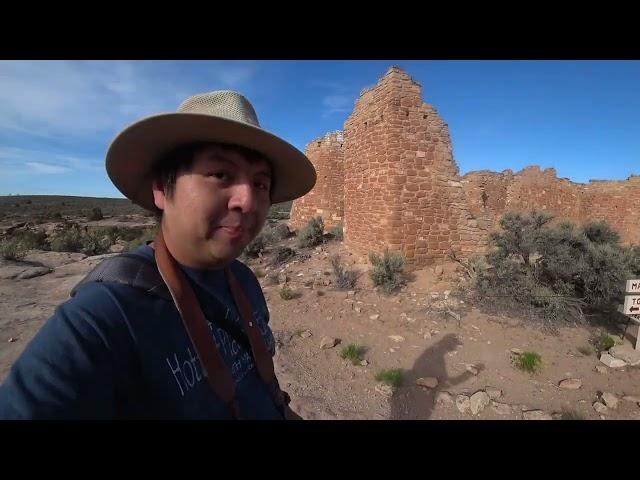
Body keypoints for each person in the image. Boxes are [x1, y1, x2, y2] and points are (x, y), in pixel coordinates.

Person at [0, 90, 317, 419]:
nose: (248, 200)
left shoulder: (243, 280)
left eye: (261, 184)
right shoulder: (104, 317)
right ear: (160, 189)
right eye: (221, 174)